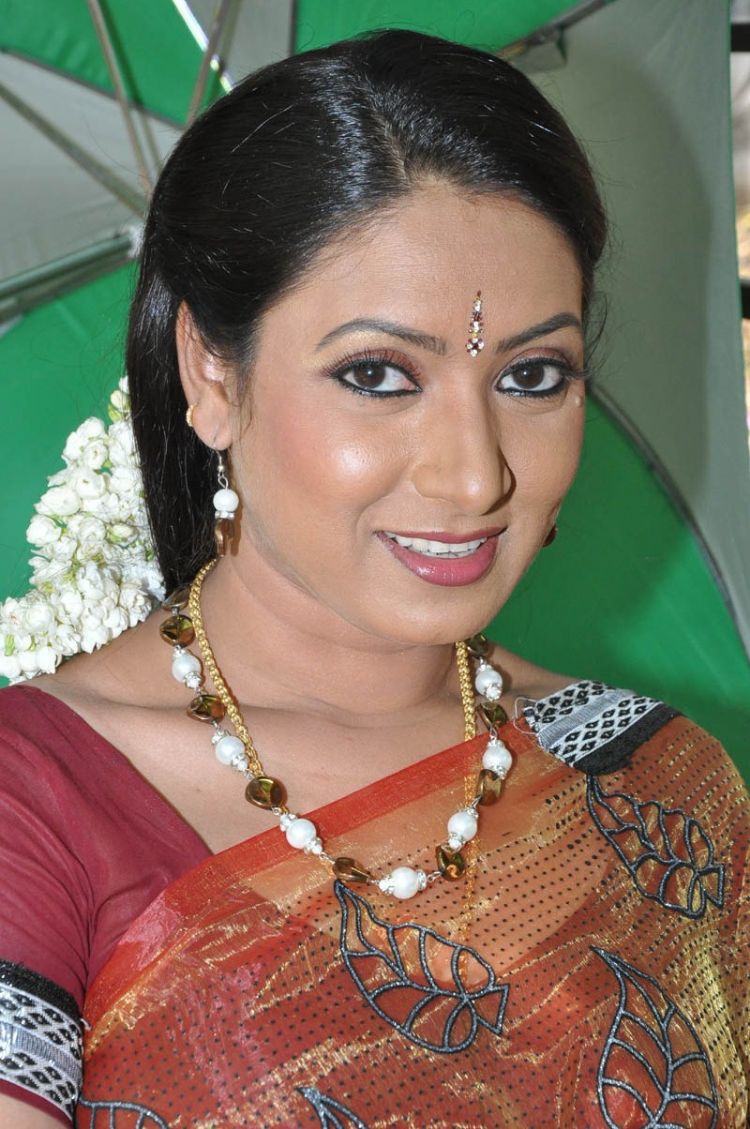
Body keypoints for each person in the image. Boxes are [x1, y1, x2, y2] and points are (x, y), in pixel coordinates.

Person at [0, 28, 746, 1129]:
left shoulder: (655, 782)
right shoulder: (37, 805)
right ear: (212, 373)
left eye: (533, 376)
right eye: (379, 374)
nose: (475, 474)